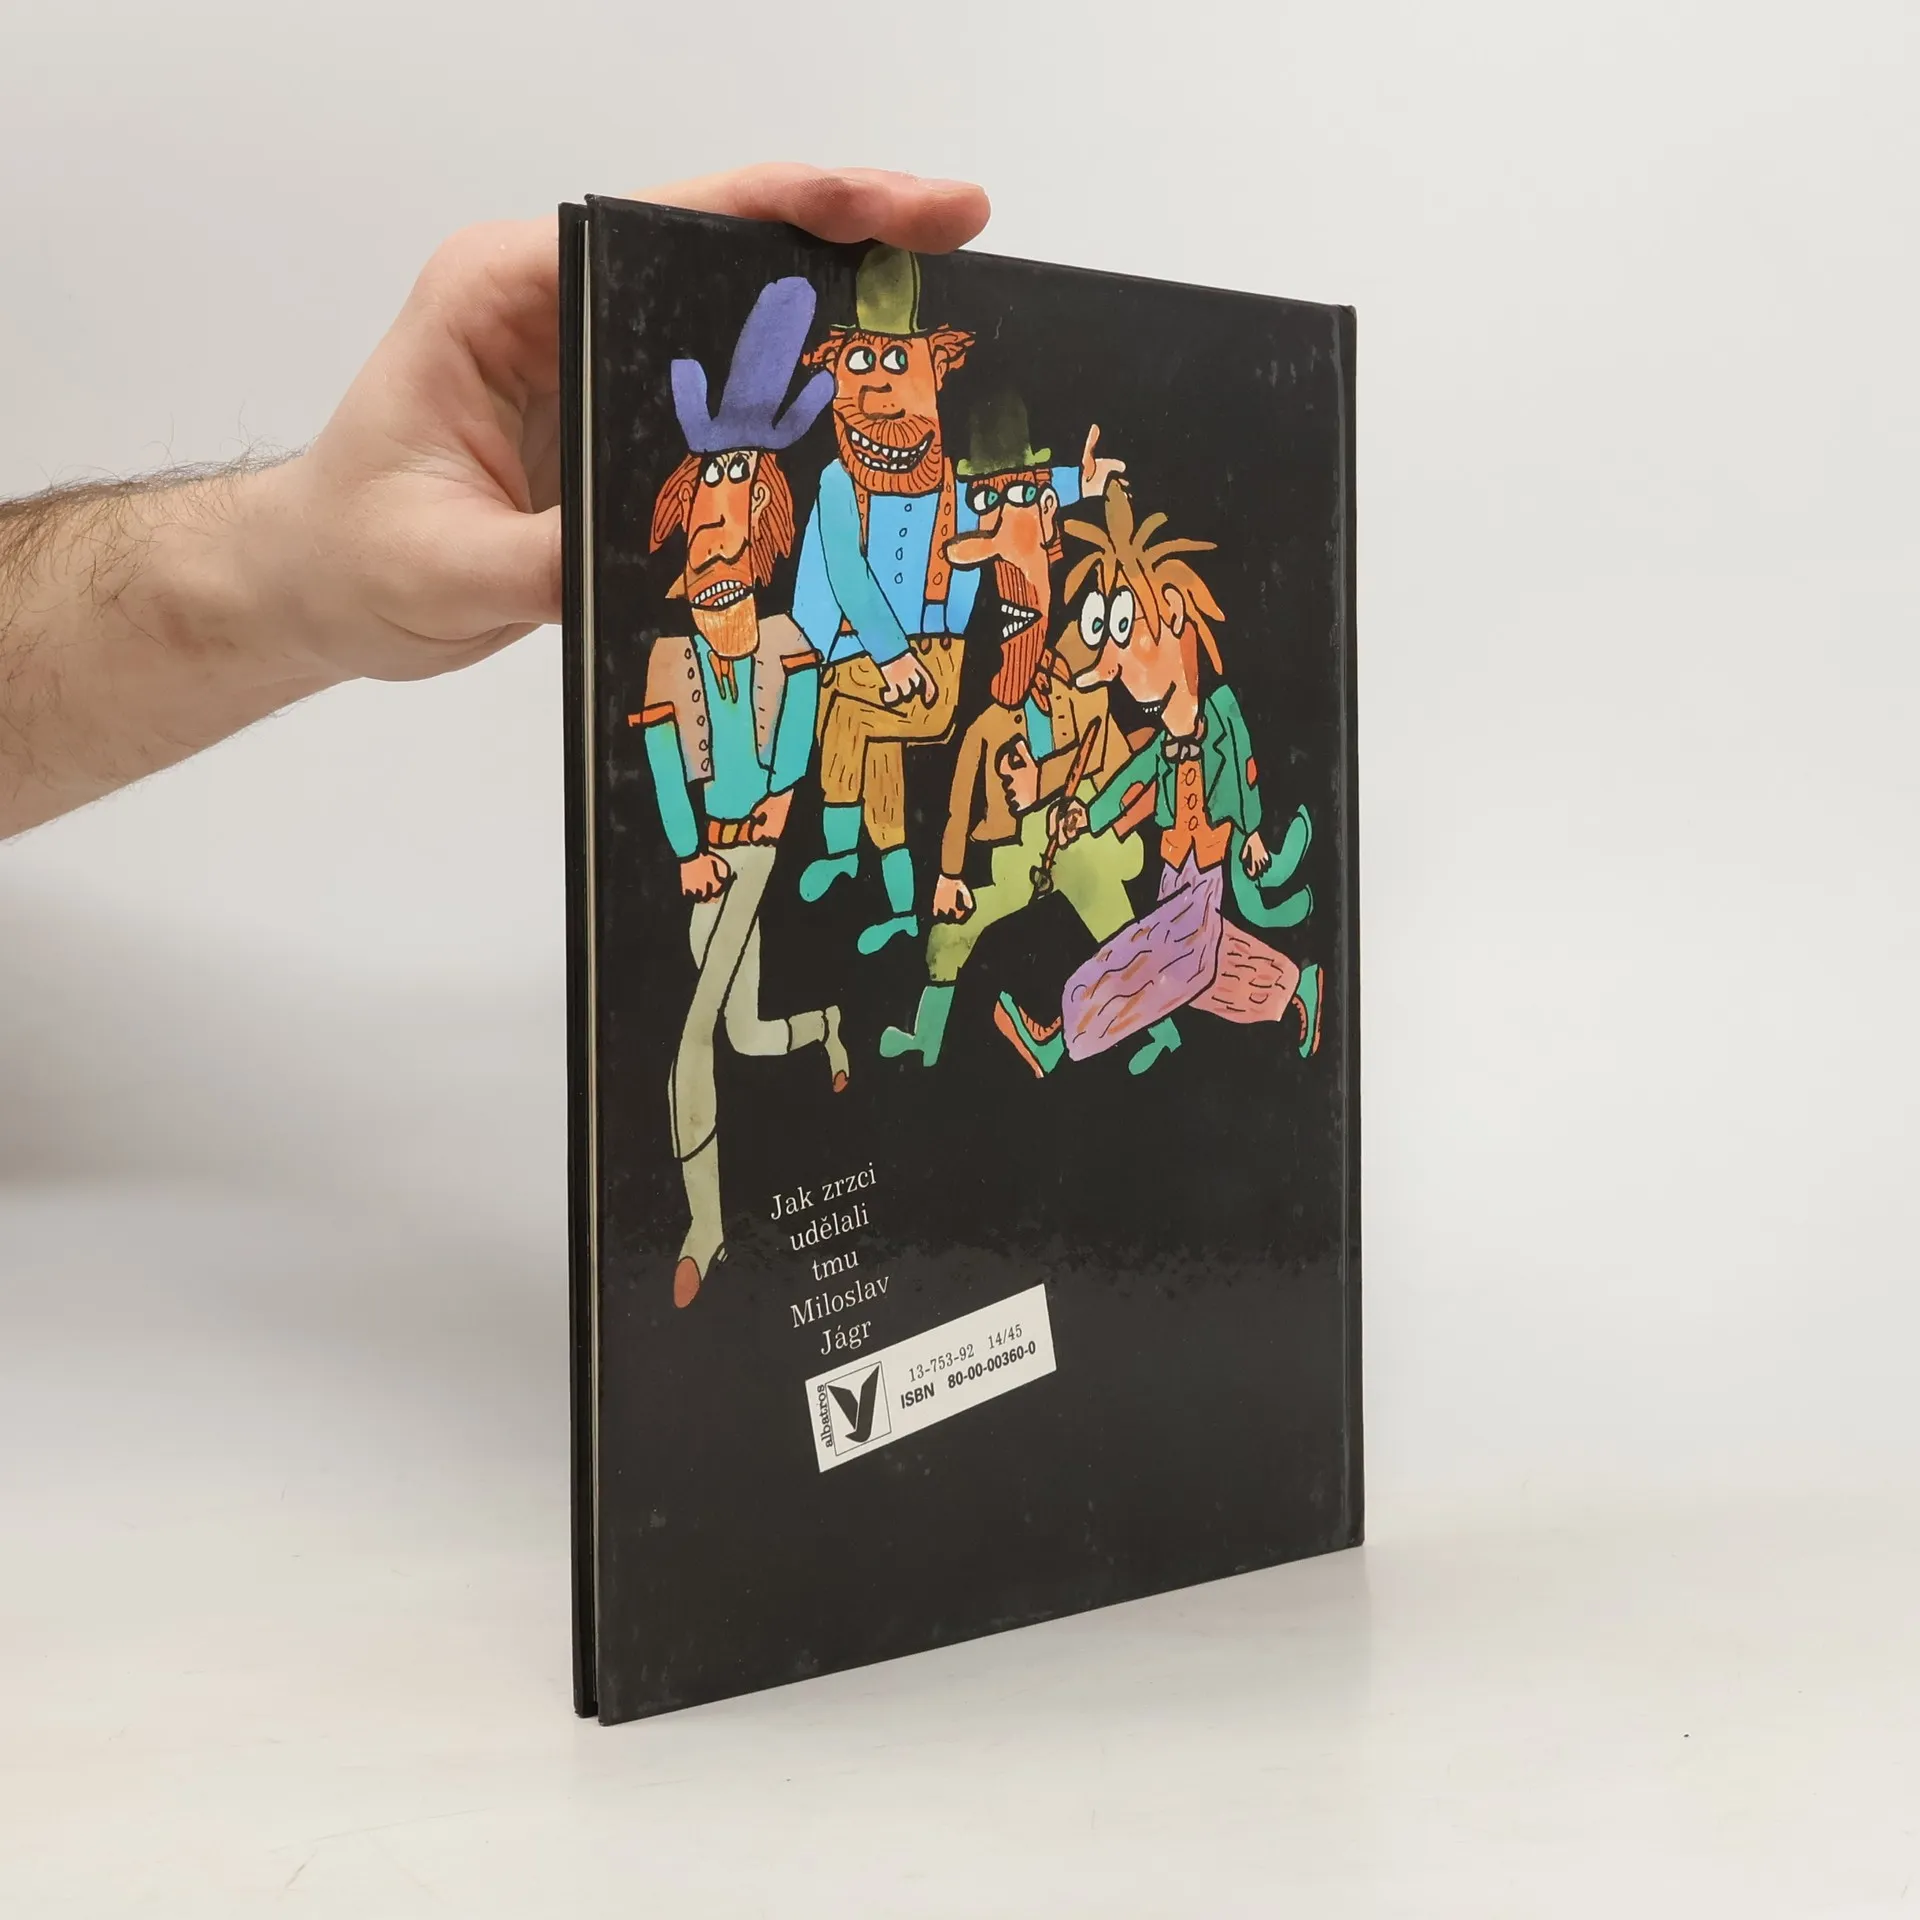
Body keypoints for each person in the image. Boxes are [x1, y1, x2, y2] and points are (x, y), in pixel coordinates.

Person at [0, 166, 991, 843]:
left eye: (895, 370)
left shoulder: (889, 512)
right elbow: (837, 574)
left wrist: (274, 579)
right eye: (861, 369)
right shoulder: (800, 531)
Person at [635, 275, 852, 1309]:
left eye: (732, 531)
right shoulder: (668, 659)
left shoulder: (783, 640)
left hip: (757, 845)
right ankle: (830, 1026)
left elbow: (795, 747)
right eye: (701, 532)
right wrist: (689, 850)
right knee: (749, 1032)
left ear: (764, 535)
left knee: (691, 1042)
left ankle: (705, 1229)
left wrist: (765, 818)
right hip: (709, 855)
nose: (714, 549)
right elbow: (665, 768)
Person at [878, 391, 1144, 1067]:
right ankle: (925, 1039)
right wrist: (948, 874)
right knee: (952, 930)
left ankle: (1154, 1030)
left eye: (1020, 495)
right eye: (987, 498)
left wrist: (1046, 782)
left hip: (1079, 837)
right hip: (1016, 850)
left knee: (1114, 919)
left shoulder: (1076, 679)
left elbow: (1104, 753)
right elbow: (960, 799)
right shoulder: (994, 716)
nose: (1001, 517)